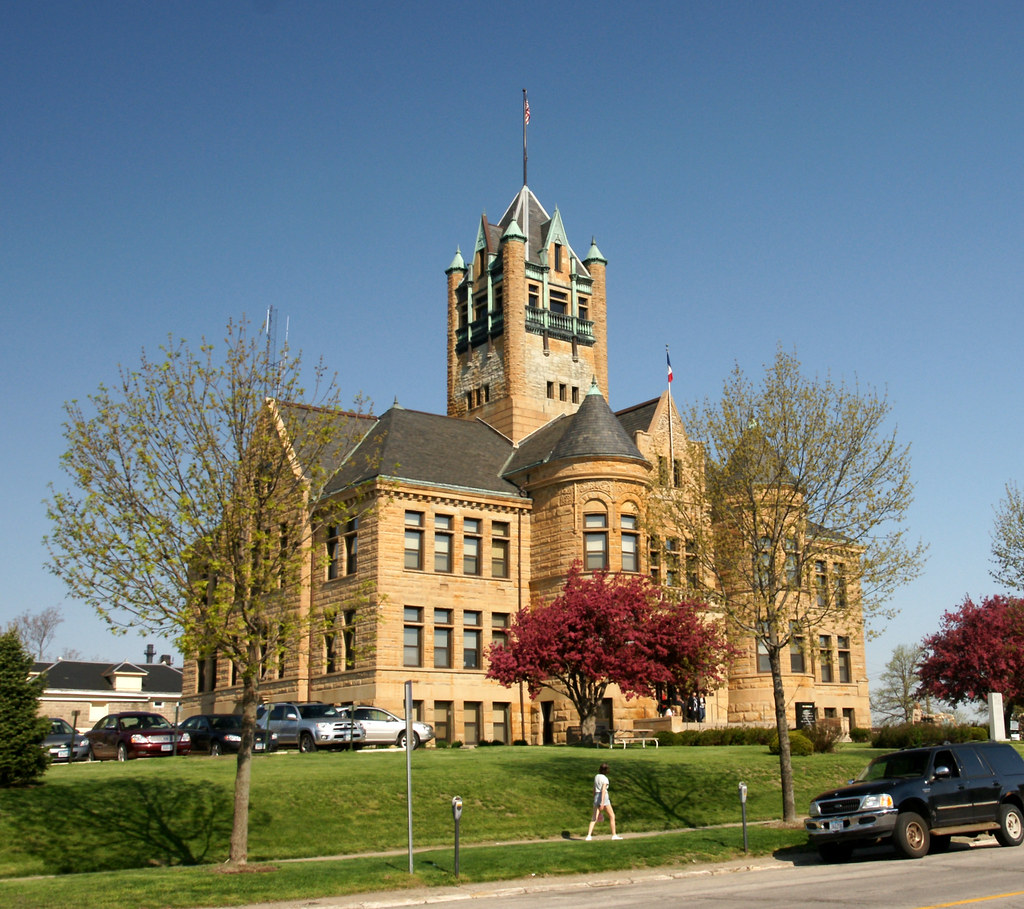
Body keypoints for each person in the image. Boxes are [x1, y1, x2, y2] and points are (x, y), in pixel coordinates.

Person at [586, 762, 622, 840]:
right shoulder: (605, 779)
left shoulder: (596, 776)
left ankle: (588, 835)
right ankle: (614, 835)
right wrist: (602, 802)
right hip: (604, 798)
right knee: (612, 816)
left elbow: (594, 788)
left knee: (594, 818)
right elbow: (603, 790)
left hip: (596, 797)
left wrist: (594, 798)